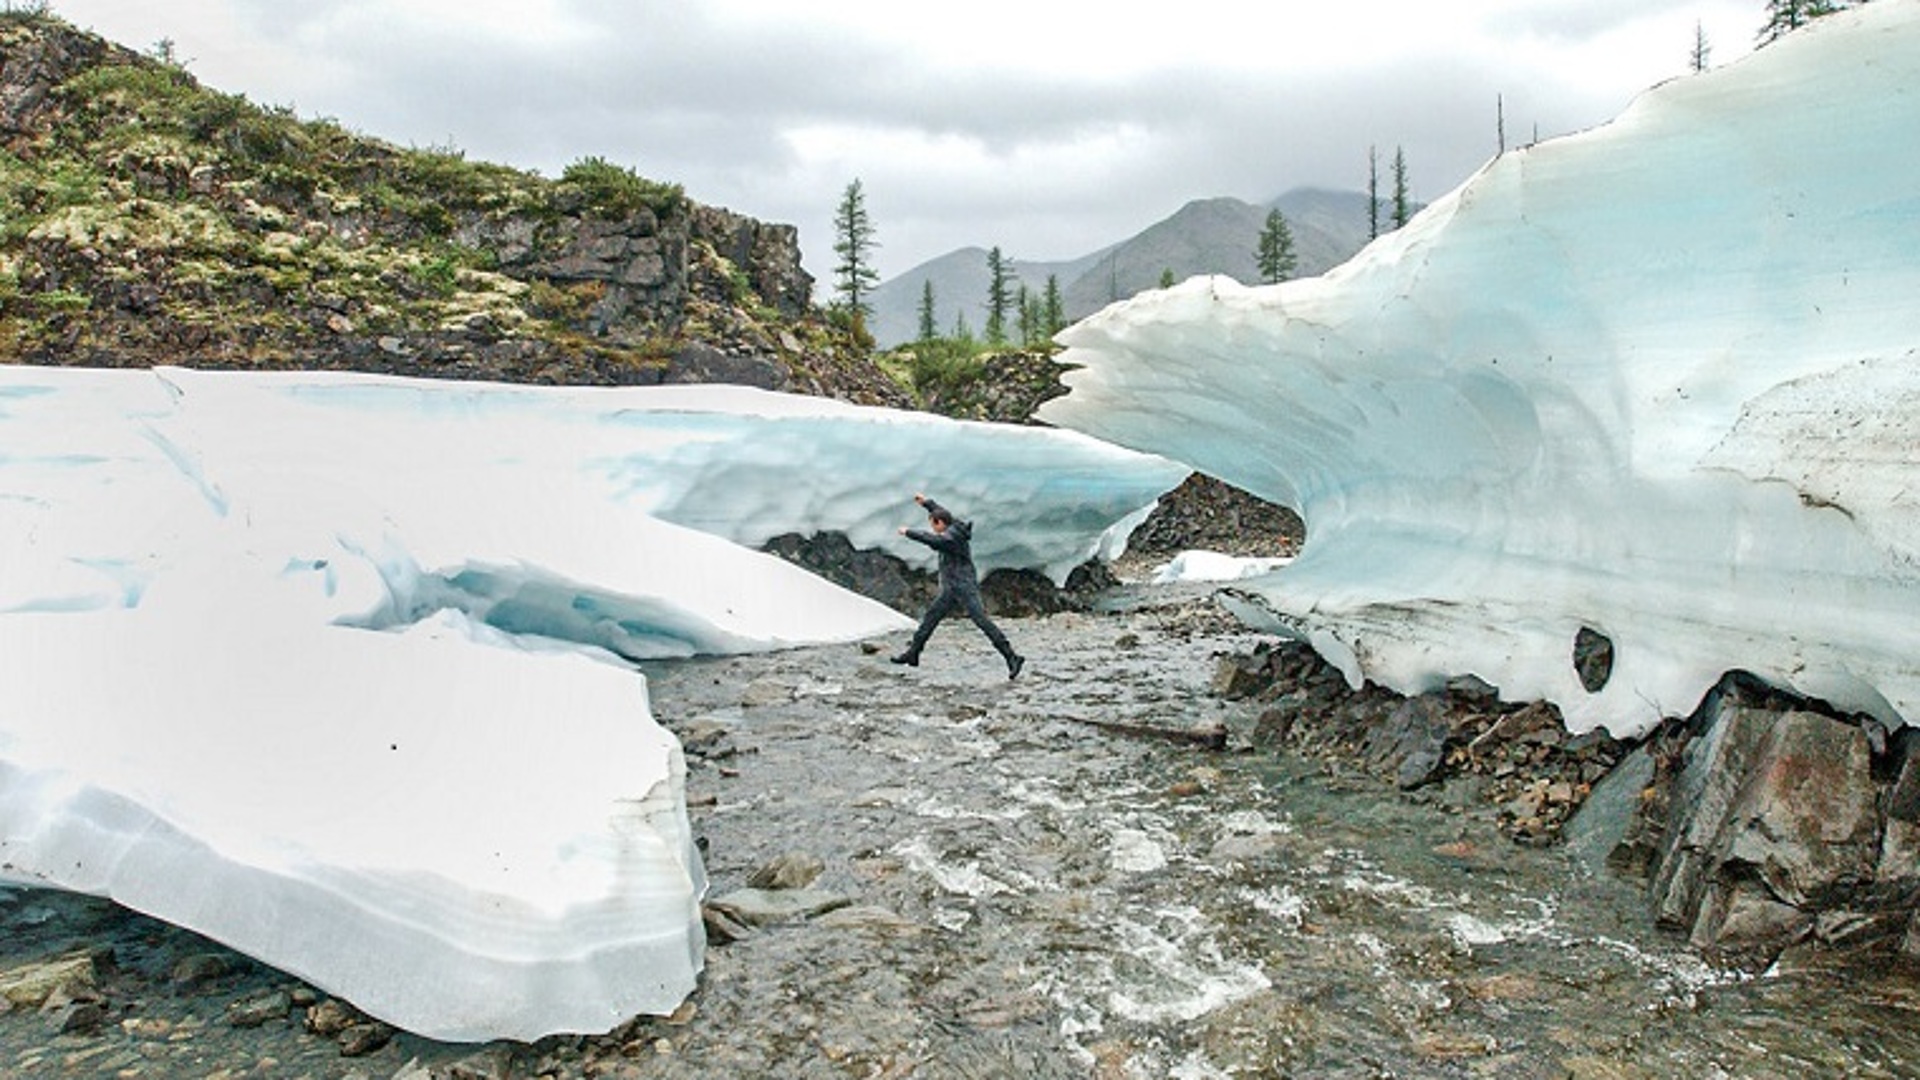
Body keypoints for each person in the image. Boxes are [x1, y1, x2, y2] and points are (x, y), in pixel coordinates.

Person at [893, 493, 1024, 679]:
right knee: (931, 618)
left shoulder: (950, 539)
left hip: (963, 586)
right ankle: (913, 653)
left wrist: (908, 532)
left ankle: (1012, 657)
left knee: (981, 620)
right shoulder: (953, 525)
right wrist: (927, 503)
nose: (932, 528)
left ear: (939, 524)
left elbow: (931, 539)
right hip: (951, 587)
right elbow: (942, 513)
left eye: (933, 524)